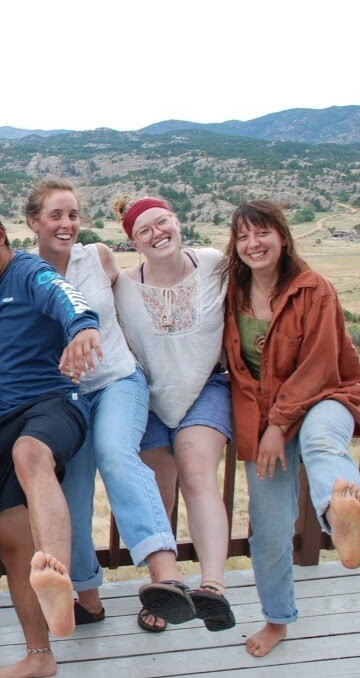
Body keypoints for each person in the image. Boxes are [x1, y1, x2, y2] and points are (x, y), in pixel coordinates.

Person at [0, 197, 101, 678]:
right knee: (11, 542)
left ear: (1, 237)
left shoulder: (29, 273)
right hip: (1, 421)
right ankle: (39, 656)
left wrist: (83, 327)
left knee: (31, 455)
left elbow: (64, 295)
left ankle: (56, 575)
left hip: (52, 406)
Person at [24, 178, 189, 634]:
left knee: (117, 456)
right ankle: (89, 600)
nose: (66, 224)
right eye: (55, 215)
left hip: (118, 380)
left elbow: (141, 296)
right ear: (33, 222)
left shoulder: (97, 256)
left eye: (73, 215)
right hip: (67, 398)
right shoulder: (24, 274)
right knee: (69, 497)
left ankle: (166, 578)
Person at [222, 200, 360, 657]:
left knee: (321, 440)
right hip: (263, 415)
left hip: (326, 395)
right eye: (244, 236)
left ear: (283, 237)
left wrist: (278, 423)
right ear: (236, 245)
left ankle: (339, 513)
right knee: (269, 530)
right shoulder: (233, 290)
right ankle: (277, 618)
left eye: (263, 232)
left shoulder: (314, 289)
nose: (254, 243)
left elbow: (319, 366)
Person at [111, 194, 236, 632]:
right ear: (133, 243)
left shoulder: (215, 263)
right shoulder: (122, 283)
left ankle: (213, 588)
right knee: (158, 492)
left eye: (161, 223)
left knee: (198, 473)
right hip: (147, 398)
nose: (156, 233)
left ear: (178, 222)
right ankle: (167, 591)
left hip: (205, 388)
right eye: (143, 231)